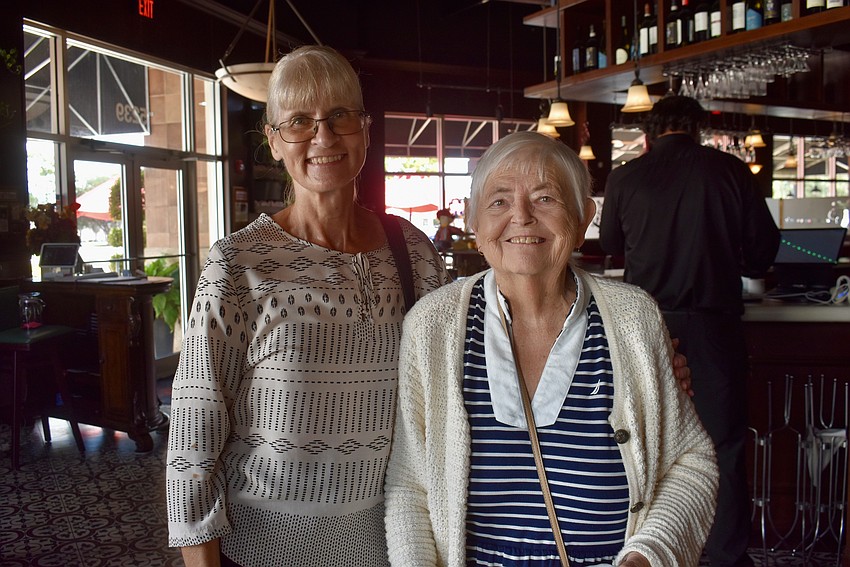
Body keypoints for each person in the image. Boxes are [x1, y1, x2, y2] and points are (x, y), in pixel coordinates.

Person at [165, 45, 450, 567]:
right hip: (263, 548)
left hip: (390, 544)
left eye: (340, 116)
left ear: (364, 128)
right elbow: (194, 429)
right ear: (274, 142)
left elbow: (443, 405)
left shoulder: (416, 253)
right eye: (299, 121)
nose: (323, 136)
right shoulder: (237, 264)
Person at [384, 131, 718, 567]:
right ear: (474, 221)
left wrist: (649, 555)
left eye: (545, 198)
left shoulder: (633, 319)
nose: (521, 216)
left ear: (583, 219)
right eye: (499, 201)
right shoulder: (433, 325)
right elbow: (409, 482)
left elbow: (690, 461)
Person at [599, 96, 780, 567]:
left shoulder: (626, 176)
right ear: (698, 131)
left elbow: (612, 248)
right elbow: (764, 249)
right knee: (722, 447)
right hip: (713, 325)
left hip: (644, 328)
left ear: (649, 133)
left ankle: (649, 553)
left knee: (643, 445)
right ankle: (722, 558)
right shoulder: (729, 171)